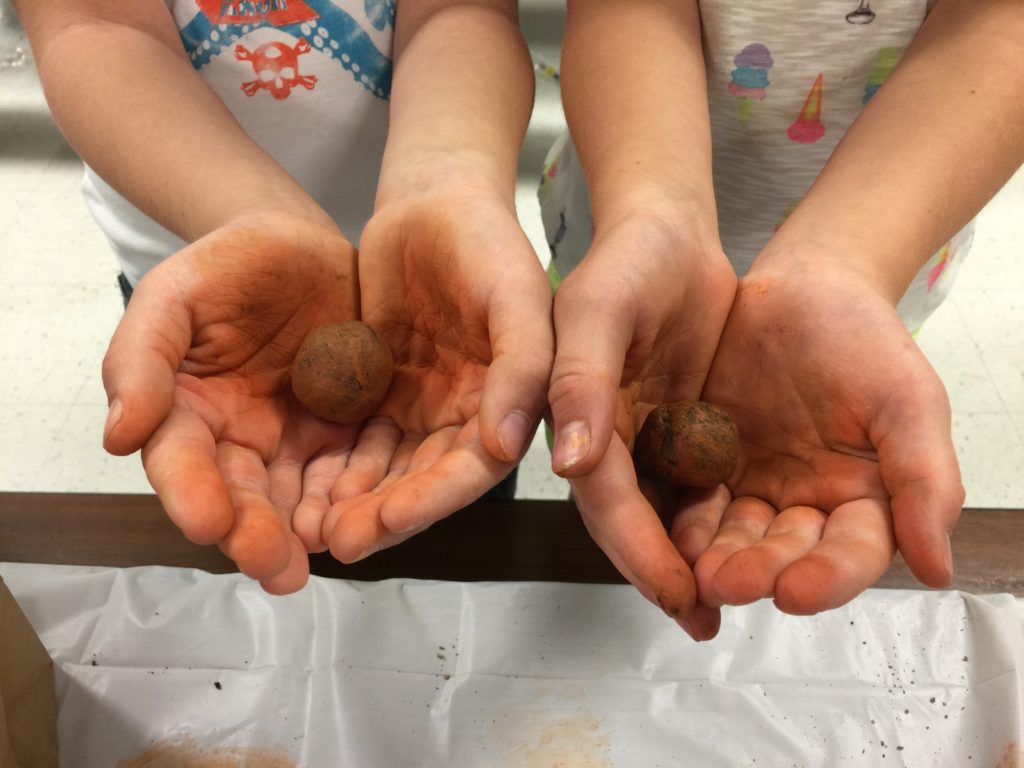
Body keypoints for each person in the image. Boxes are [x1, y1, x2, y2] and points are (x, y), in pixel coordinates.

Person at [14, 0, 554, 594]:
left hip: (437, 308)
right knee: (250, 531)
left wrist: (447, 184)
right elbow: (96, 27)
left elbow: (460, 12)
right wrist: (257, 214)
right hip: (221, 298)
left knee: (452, 532)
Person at [537, 0, 1024, 638]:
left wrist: (845, 261)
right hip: (630, 236)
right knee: (607, 442)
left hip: (876, 260)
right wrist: (655, 212)